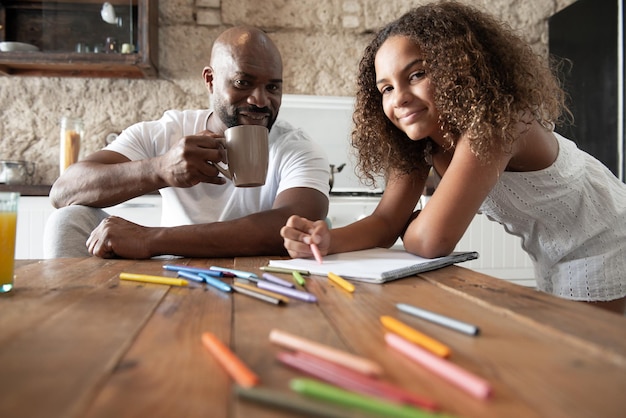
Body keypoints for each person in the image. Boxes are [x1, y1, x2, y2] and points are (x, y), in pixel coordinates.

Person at [280, 1, 626, 314]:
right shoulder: (421, 143)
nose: (399, 98)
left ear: (458, 68)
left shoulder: (493, 124)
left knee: (587, 366)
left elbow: (431, 240)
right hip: (552, 250)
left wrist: (413, 224)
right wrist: (327, 238)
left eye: (416, 75)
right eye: (386, 88)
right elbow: (386, 222)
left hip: (605, 240)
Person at [44, 26, 330, 259]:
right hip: (167, 276)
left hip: (260, 277)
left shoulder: (298, 148)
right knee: (68, 219)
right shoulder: (166, 132)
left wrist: (151, 239)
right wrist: (159, 170)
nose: (260, 100)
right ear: (210, 80)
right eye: (243, 83)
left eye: (273, 87)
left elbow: (290, 225)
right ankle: (73, 323)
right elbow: (64, 190)